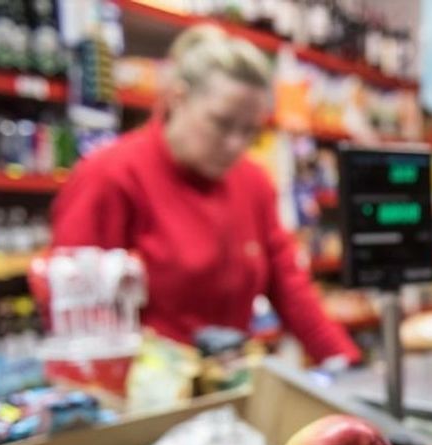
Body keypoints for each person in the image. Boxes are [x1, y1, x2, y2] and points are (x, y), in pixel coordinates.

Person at [50, 24, 361, 366]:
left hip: (228, 388)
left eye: (250, 131)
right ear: (178, 99)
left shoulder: (253, 182)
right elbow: (75, 315)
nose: (236, 145)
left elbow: (291, 288)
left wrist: (346, 364)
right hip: (142, 399)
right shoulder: (109, 176)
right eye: (222, 124)